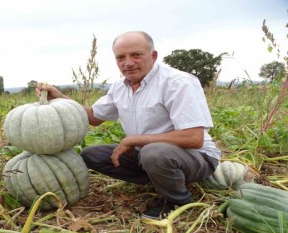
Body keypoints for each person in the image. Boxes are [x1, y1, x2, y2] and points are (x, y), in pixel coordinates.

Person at [36, 31, 221, 219]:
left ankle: (178, 201)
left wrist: (136, 139)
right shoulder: (119, 87)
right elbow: (93, 117)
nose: (128, 63)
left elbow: (193, 138)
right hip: (149, 155)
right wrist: (59, 98)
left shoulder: (178, 82)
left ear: (153, 56)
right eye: (120, 58)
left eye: (136, 55)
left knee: (153, 153)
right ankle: (161, 179)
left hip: (197, 158)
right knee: (91, 155)